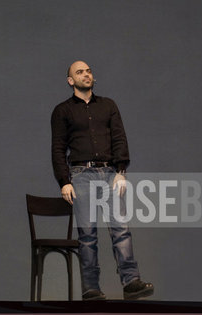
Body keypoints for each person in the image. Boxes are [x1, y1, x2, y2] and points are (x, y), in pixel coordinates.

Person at [51, 60, 154, 300]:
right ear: (70, 81)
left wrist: (121, 171)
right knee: (87, 234)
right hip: (80, 175)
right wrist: (63, 181)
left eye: (88, 71)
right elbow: (58, 148)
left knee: (121, 229)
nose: (86, 74)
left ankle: (131, 283)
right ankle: (91, 288)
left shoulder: (108, 106)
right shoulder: (63, 111)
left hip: (109, 174)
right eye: (79, 72)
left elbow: (119, 138)